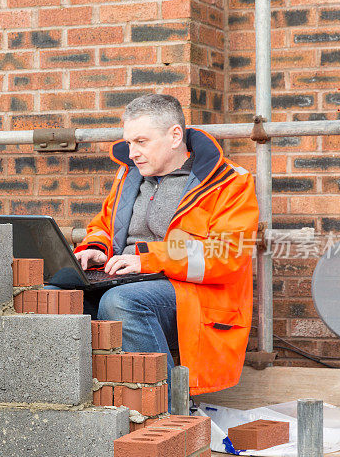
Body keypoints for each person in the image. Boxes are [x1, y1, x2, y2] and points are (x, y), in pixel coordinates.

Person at [72, 94, 259, 395]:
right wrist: (95, 248)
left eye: (141, 142)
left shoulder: (229, 183)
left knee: (120, 302)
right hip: (127, 279)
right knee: (58, 296)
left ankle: (168, 418)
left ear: (174, 136)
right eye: (129, 142)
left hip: (194, 296)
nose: (132, 153)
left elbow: (227, 255)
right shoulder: (128, 176)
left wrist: (148, 259)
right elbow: (104, 226)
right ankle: (79, 407)